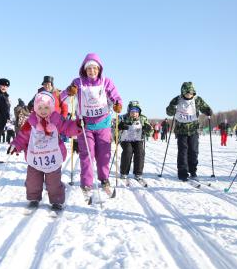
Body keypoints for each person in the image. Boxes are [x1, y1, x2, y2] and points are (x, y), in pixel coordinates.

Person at [60, 53, 122, 195]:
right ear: (84, 69)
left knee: (103, 153)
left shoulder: (106, 82)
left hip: (103, 123)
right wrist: (70, 91)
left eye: (95, 68)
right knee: (87, 154)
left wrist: (118, 104)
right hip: (84, 125)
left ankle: (104, 178)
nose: (92, 71)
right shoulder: (78, 82)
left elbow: (116, 97)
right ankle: (87, 183)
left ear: (99, 69)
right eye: (89, 68)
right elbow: (63, 96)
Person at [8, 91, 82, 210]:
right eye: (40, 107)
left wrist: (77, 125)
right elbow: (22, 136)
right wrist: (16, 145)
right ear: (36, 108)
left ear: (51, 107)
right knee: (32, 181)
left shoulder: (56, 119)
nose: (43, 110)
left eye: (46, 107)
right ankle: (33, 198)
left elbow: (67, 128)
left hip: (52, 157)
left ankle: (56, 200)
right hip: (35, 157)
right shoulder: (30, 122)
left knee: (53, 183)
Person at [166, 81, 212, 181]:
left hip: (193, 130)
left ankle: (193, 171)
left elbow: (205, 107)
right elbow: (169, 112)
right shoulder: (177, 100)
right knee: (183, 152)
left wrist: (208, 110)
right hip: (181, 130)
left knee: (194, 151)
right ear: (182, 92)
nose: (189, 94)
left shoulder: (197, 100)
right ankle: (182, 173)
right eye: (187, 92)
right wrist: (172, 108)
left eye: (190, 92)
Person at [118, 101, 152, 180]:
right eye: (132, 111)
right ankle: (124, 172)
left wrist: (148, 129)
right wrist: (120, 126)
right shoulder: (123, 118)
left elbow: (150, 131)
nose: (134, 113)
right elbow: (115, 128)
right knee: (128, 151)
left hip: (137, 139)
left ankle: (138, 173)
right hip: (126, 139)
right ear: (129, 111)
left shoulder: (143, 118)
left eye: (136, 112)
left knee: (140, 151)